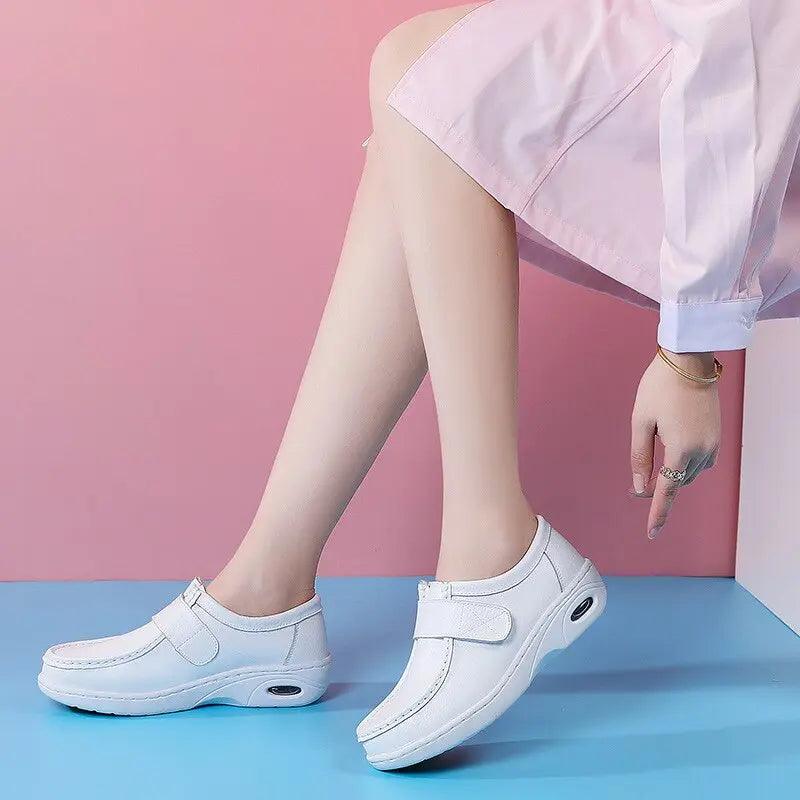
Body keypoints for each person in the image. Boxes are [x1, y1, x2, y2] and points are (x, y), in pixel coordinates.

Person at [37, 0, 800, 771]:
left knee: (437, 77)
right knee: (425, 97)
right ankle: (265, 593)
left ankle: (492, 552)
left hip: (757, 102)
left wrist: (691, 349)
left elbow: (747, 35)